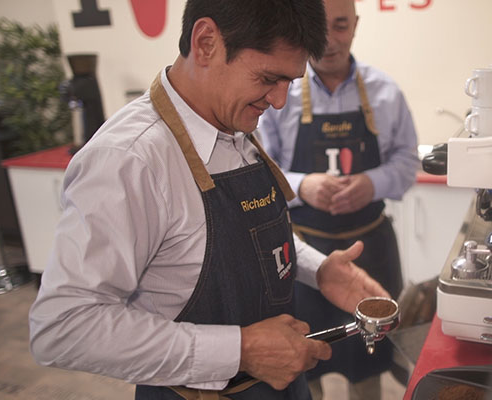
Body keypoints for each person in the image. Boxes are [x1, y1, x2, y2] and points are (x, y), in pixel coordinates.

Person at [28, 1, 391, 399]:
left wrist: (318, 269)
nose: (280, 101)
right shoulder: (129, 161)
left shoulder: (234, 121)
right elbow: (63, 327)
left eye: (290, 81)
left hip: (280, 386)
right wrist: (240, 350)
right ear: (205, 43)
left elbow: (244, 236)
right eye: (269, 78)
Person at [257, 0, 419, 398]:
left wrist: (374, 182)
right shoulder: (280, 91)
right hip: (302, 253)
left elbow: (407, 161)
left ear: (356, 26)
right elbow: (259, 168)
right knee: (304, 363)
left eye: (341, 26)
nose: (330, 40)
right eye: (320, 28)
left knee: (369, 364)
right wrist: (301, 184)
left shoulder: (385, 91)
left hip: (371, 250)